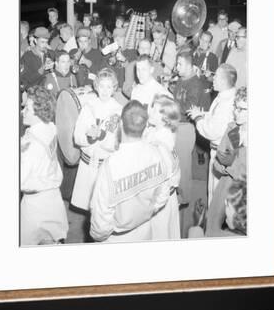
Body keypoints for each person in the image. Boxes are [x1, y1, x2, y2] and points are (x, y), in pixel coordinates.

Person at [90, 100, 173, 243]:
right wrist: (149, 211)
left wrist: (99, 237)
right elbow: (164, 194)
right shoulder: (158, 154)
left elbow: (101, 218)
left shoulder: (110, 166)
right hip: (146, 230)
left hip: (116, 238)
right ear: (146, 125)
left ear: (121, 125)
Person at [20, 86, 68, 245]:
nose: (22, 111)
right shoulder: (50, 127)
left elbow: (20, 179)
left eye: (26, 108)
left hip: (34, 206)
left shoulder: (31, 143)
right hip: (53, 198)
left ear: (38, 112)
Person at [70, 68, 123, 211]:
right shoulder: (89, 106)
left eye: (109, 87)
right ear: (96, 86)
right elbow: (77, 136)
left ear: (114, 88)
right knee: (87, 206)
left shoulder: (117, 111)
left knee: (102, 208)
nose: (105, 91)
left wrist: (102, 136)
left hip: (104, 167)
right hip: (87, 165)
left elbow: (116, 144)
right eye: (101, 86)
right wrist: (88, 137)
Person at [187, 63, 237, 205]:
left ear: (223, 81)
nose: (213, 79)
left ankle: (213, 225)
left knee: (216, 195)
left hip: (221, 154)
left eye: (216, 77)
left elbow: (212, 131)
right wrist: (201, 113)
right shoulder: (226, 95)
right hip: (221, 151)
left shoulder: (226, 103)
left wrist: (197, 119)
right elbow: (214, 116)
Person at [205, 87, 247, 237]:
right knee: (212, 225)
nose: (237, 112)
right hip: (226, 183)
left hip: (244, 189)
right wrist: (227, 164)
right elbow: (217, 164)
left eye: (242, 109)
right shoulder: (232, 129)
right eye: (236, 107)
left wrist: (231, 163)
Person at [144, 95, 182, 239]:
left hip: (161, 196)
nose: (150, 113)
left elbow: (161, 176)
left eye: (155, 111)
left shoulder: (161, 141)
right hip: (167, 193)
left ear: (165, 118)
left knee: (160, 233)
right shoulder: (159, 131)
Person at [169, 51, 211, 121]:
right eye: (177, 64)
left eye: (180, 64)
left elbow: (187, 109)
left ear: (188, 66)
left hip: (184, 123)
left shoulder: (196, 85)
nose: (177, 67)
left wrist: (169, 104)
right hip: (175, 116)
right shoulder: (181, 78)